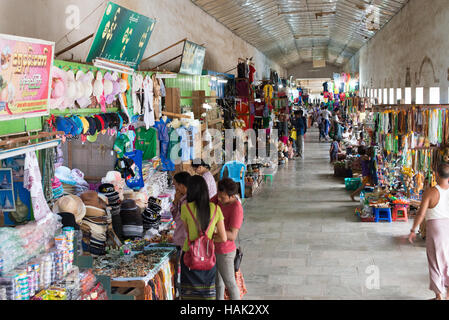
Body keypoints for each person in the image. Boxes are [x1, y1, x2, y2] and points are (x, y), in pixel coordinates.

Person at [180, 175, 227, 300]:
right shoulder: (216, 209)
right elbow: (223, 238)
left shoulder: (185, 208)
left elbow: (188, 232)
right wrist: (209, 239)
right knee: (207, 294)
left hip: (189, 254)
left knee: (189, 296)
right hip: (207, 254)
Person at [408, 163, 449, 300]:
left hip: (436, 228)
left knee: (435, 261)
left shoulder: (431, 192)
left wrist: (413, 229)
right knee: (447, 261)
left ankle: (439, 296)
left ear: (436, 174)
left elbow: (421, 213)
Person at [210, 178, 244, 300]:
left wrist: (214, 232)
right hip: (215, 248)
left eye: (222, 198)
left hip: (225, 252)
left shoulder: (236, 208)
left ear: (231, 196)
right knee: (218, 283)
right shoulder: (218, 197)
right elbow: (208, 205)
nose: (219, 199)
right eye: (218, 196)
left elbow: (232, 235)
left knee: (230, 284)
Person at [170, 172, 191, 296]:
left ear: (182, 185)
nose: (175, 188)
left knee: (183, 275)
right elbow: (175, 216)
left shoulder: (187, 202)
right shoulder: (182, 200)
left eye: (175, 185)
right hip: (180, 240)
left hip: (184, 242)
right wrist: (175, 202)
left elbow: (179, 220)